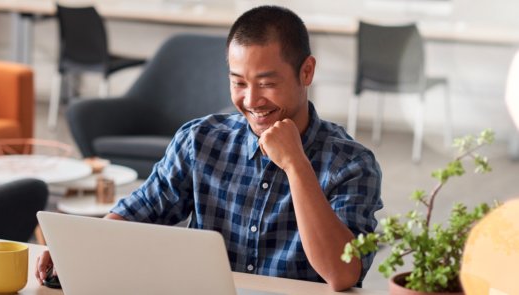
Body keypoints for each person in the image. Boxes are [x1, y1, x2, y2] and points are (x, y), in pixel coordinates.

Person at [36, 5, 383, 291]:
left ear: (306, 72)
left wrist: (295, 165)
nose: (250, 100)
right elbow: (140, 210)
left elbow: (342, 274)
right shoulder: (201, 140)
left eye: (267, 83)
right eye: (238, 82)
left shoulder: (352, 164)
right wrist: (77, 248)